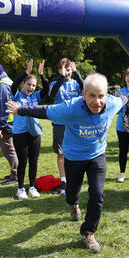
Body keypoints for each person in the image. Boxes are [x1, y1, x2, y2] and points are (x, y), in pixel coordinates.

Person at [6, 73, 129, 253]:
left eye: (101, 96)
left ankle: (88, 232)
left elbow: (123, 99)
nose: (97, 101)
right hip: (73, 157)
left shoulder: (113, 103)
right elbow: (44, 110)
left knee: (97, 194)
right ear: (83, 95)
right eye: (91, 95)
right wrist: (20, 110)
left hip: (96, 156)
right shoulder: (70, 108)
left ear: (106, 94)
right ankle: (73, 204)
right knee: (71, 192)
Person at [10, 59, 48, 200]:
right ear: (23, 84)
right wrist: (26, 72)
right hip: (20, 134)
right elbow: (13, 85)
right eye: (29, 84)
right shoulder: (16, 95)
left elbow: (46, 90)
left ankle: (32, 187)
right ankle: (20, 189)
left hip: (34, 133)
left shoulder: (35, 96)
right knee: (23, 161)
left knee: (34, 160)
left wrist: (41, 75)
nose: (31, 88)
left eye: (33, 85)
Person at [46, 58, 84, 194]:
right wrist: (61, 77)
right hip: (59, 124)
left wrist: (77, 73)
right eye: (63, 70)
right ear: (59, 71)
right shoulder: (55, 83)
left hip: (75, 123)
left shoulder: (76, 83)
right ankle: (63, 181)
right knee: (61, 153)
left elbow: (86, 89)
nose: (66, 73)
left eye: (68, 70)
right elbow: (52, 94)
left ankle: (75, 179)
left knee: (75, 152)